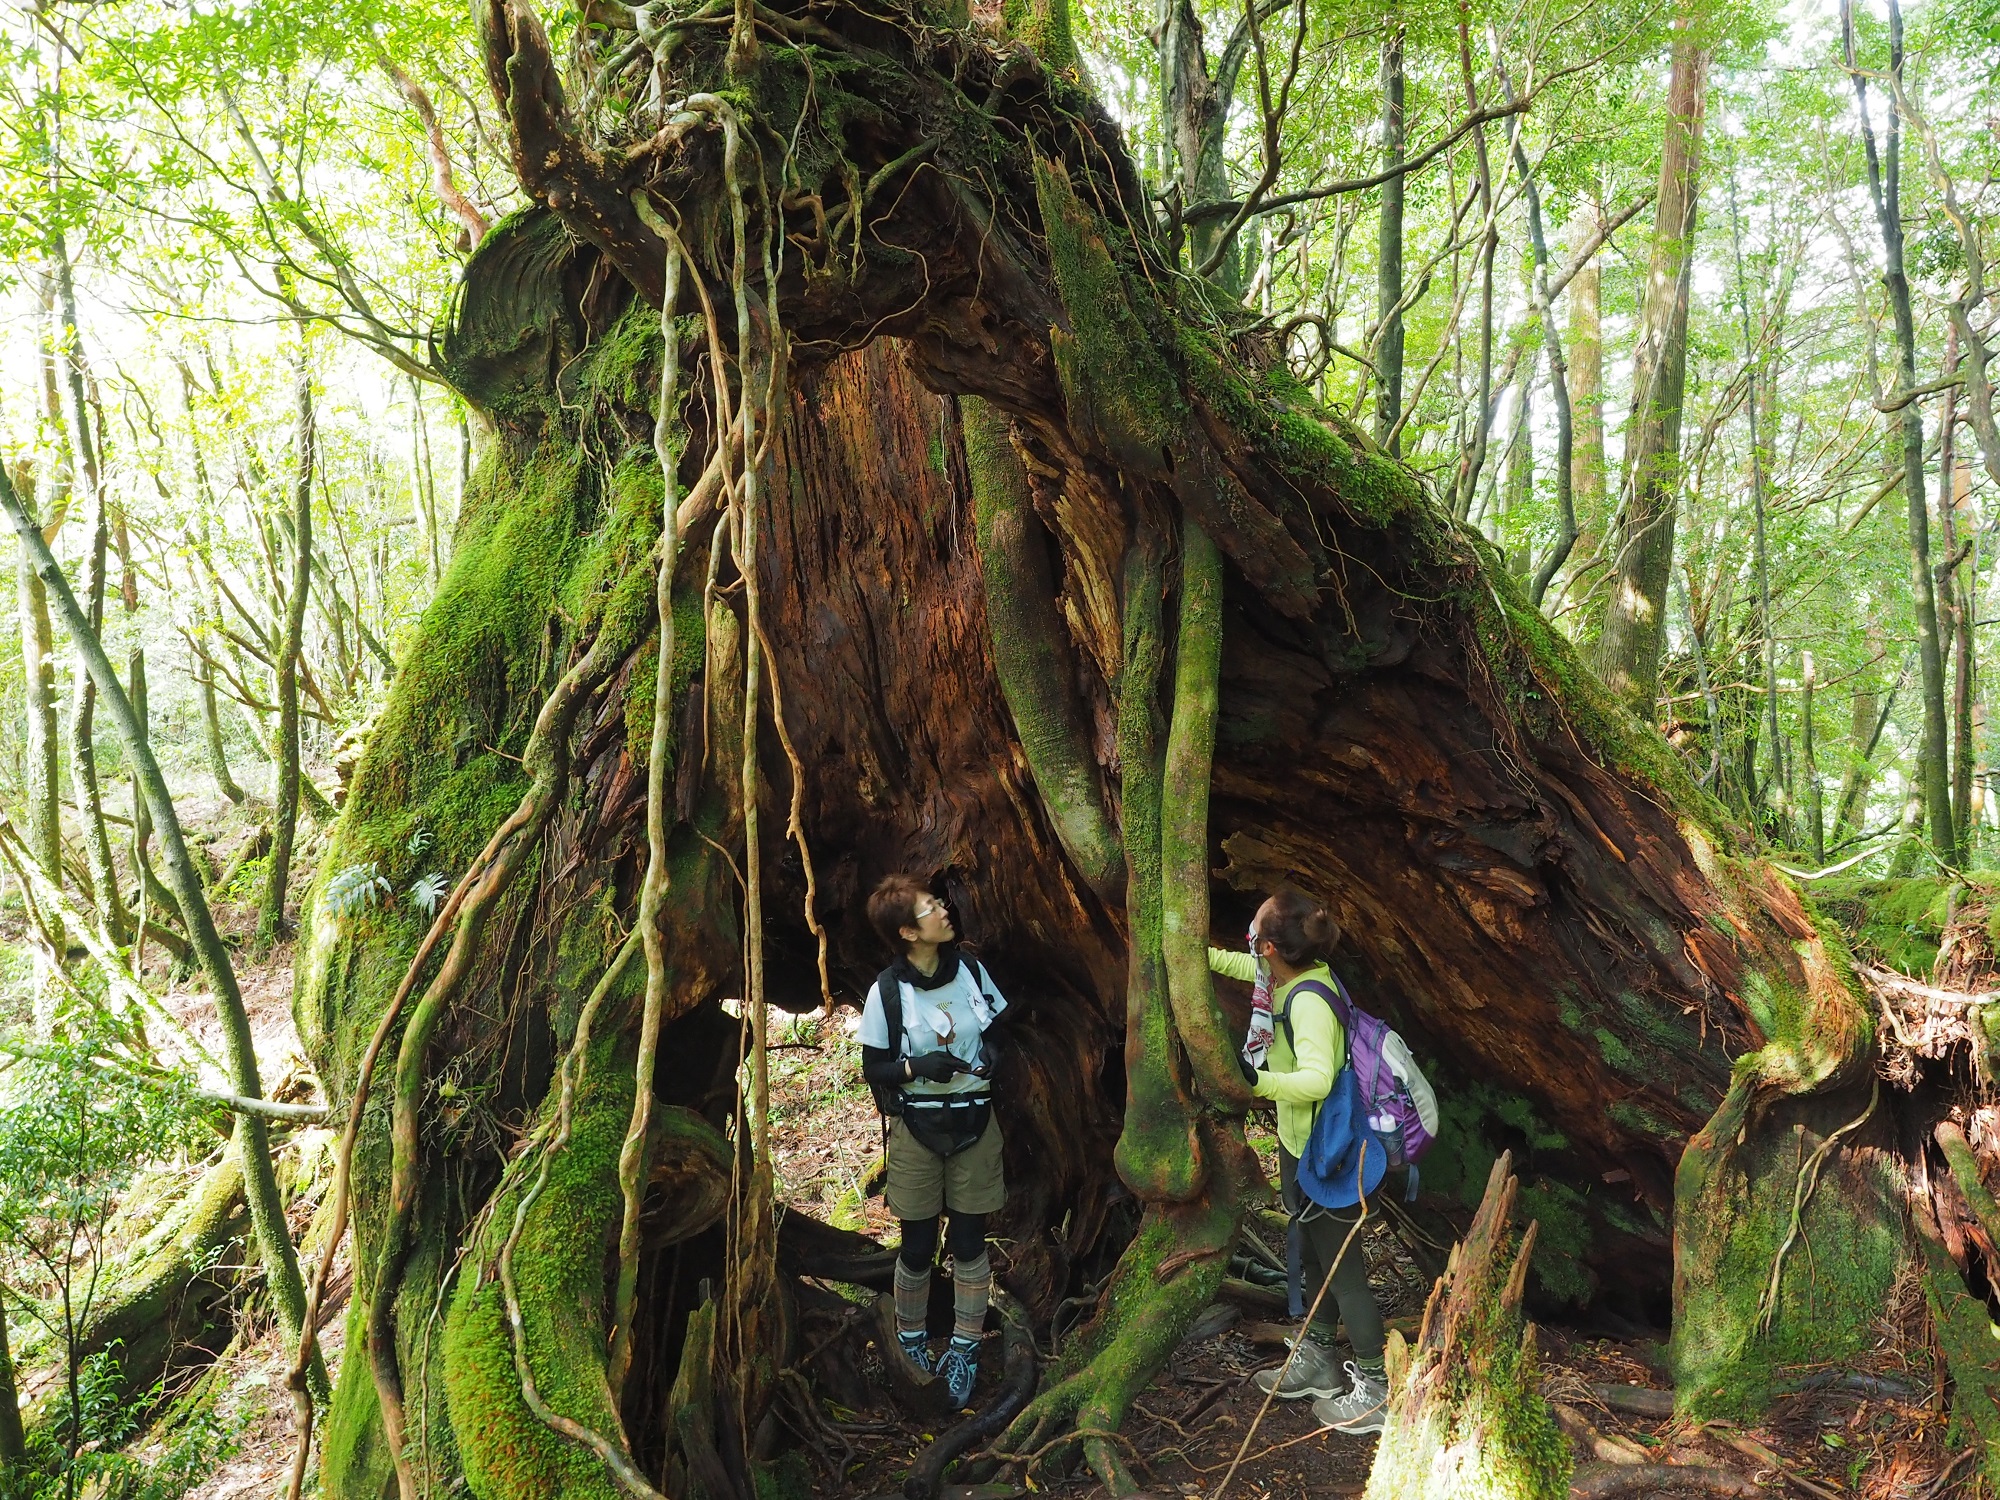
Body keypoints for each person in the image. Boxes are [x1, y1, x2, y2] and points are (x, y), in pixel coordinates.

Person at [1210, 889, 1389, 1435]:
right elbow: (1248, 967)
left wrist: (1257, 1083)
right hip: (1300, 1145)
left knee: (1344, 1272)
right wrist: (1197, 955)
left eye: (1254, 929)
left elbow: (1315, 1079)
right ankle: (1320, 1359)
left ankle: (1378, 1389)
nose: (1248, 938)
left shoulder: (1308, 1001)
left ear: (1269, 945)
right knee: (1313, 1256)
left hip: (1331, 1154)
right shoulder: (1283, 976)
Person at [857, 874, 1009, 1408]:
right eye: (930, 908)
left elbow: (993, 1028)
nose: (945, 910)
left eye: (938, 902)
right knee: (918, 1245)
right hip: (917, 1127)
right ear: (907, 932)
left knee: (968, 1240)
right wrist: (917, 1067)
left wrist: (991, 1055)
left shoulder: (969, 970)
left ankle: (965, 1348)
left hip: (975, 1120)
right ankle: (911, 1341)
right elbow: (873, 1066)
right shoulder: (887, 992)